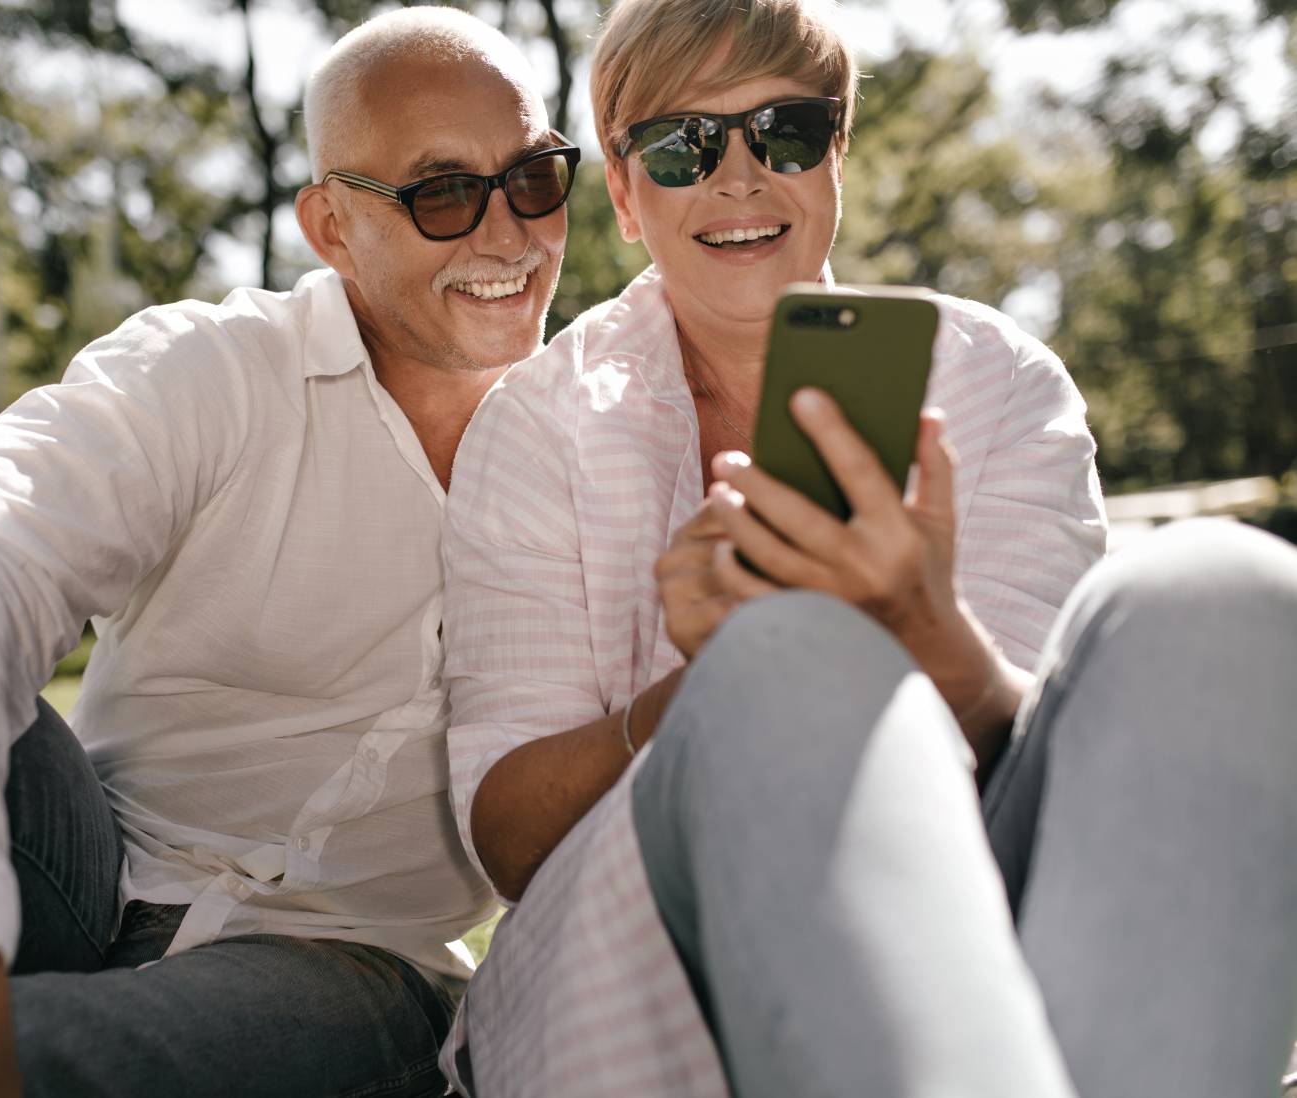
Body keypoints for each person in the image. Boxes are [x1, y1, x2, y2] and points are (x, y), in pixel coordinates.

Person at [0, 9, 581, 1097]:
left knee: (29, 1066)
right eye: (441, 192)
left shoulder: (597, 446)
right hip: (81, 866)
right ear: (328, 226)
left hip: (357, 963)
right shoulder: (215, 370)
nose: (506, 234)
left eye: (531, 177)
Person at [438, 0, 1297, 1094]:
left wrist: (920, 627)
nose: (738, 177)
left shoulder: (996, 384)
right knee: (790, 662)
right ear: (621, 190)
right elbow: (510, 842)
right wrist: (706, 684)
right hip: (635, 951)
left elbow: (1062, 779)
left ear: (836, 152)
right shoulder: (537, 424)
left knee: (1224, 595)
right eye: (680, 145)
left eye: (783, 131)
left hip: (995, 906)